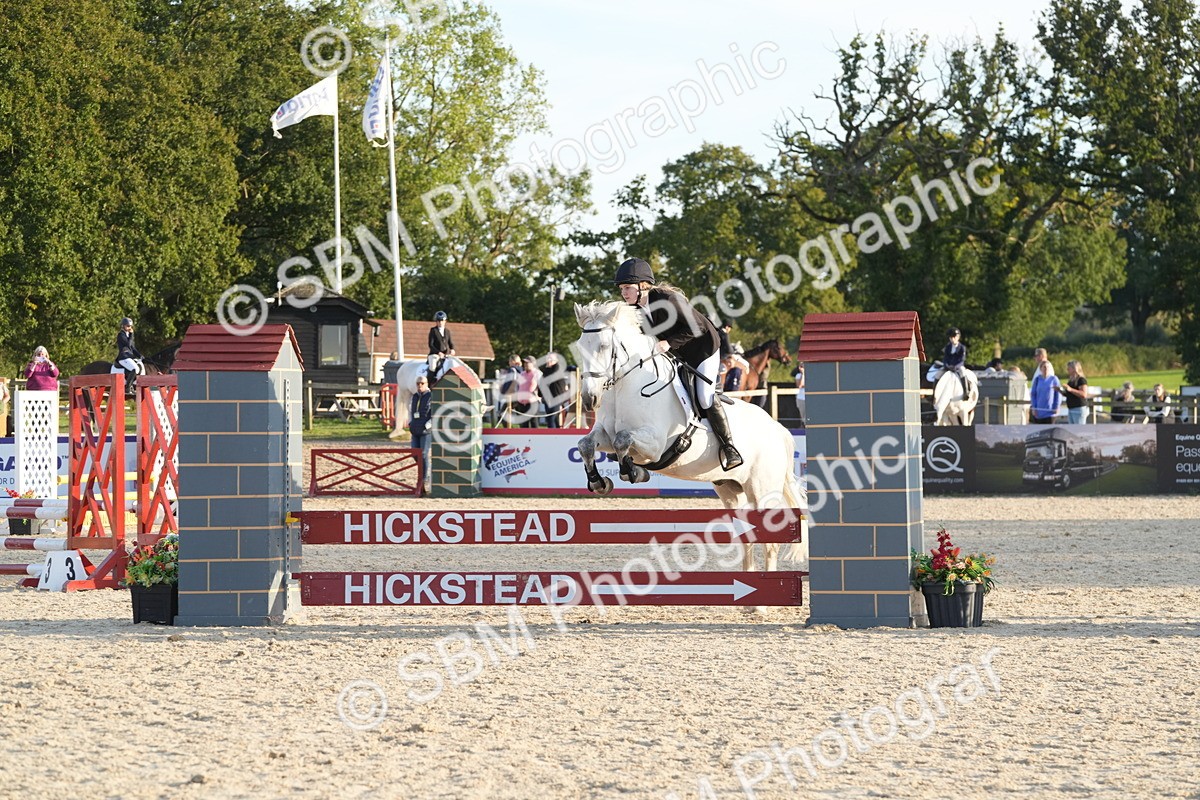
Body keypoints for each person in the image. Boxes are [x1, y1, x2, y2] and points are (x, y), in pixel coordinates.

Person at [615, 257, 742, 470]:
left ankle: (729, 447)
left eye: (627, 287)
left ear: (642, 285)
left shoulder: (667, 299)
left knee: (703, 395)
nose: (623, 293)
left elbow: (698, 327)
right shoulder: (636, 310)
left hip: (704, 349)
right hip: (679, 355)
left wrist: (668, 343)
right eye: (621, 289)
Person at [408, 376, 433, 492]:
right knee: (414, 453)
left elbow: (435, 413)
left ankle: (424, 478)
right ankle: (423, 470)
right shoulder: (414, 396)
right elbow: (410, 410)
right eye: (418, 383)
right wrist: (410, 423)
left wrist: (428, 425)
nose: (419, 385)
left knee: (423, 454)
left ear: (426, 384)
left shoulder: (431, 396)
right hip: (415, 429)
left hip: (425, 430)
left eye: (422, 383)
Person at [539, 353, 570, 429]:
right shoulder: (547, 370)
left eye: (550, 359)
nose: (548, 361)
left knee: (551, 418)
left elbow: (548, 377)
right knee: (553, 418)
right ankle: (557, 434)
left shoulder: (557, 367)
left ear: (556, 361)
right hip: (548, 398)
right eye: (547, 359)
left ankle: (551, 435)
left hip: (557, 397)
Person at [115, 317, 142, 395]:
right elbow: (128, 344)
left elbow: (132, 348)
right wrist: (131, 334)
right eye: (127, 326)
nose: (129, 328)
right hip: (123, 357)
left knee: (138, 367)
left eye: (130, 326)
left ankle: (131, 386)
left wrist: (140, 355)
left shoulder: (128, 335)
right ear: (123, 326)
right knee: (135, 368)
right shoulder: (121, 335)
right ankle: (127, 388)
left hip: (129, 356)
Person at [427, 311, 455, 384]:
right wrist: (438, 352)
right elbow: (431, 345)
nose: (440, 322)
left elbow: (450, 342)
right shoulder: (433, 330)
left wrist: (452, 349)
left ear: (445, 321)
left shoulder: (447, 331)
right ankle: (430, 383)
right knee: (432, 367)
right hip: (434, 354)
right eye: (438, 321)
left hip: (445, 355)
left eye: (442, 320)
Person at [1059, 360, 1091, 424]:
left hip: (1078, 408)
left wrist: (1070, 389)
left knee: (1079, 430)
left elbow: (1083, 394)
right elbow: (1070, 394)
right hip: (1071, 409)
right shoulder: (1071, 380)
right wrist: (1060, 391)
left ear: (1074, 369)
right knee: (1072, 430)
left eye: (1069, 368)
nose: (1067, 369)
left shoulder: (1081, 380)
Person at [942, 327, 968, 399]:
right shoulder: (948, 347)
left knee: (963, 372)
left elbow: (962, 360)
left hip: (958, 366)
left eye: (954, 337)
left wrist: (955, 367)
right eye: (951, 337)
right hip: (948, 366)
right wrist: (946, 366)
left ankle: (966, 392)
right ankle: (934, 394)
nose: (952, 339)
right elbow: (945, 358)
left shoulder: (962, 347)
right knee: (937, 375)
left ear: (958, 337)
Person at [516, 356, 542, 428]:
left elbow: (542, 387)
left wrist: (539, 397)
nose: (526, 364)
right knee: (523, 425)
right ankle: (523, 439)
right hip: (521, 402)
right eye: (525, 363)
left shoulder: (537, 373)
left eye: (528, 363)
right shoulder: (522, 374)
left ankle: (536, 439)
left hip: (532, 402)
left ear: (533, 363)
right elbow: (519, 386)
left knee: (534, 423)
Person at [497, 354, 522, 426]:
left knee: (503, 415)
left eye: (510, 361)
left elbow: (512, 382)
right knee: (521, 416)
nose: (509, 363)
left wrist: (505, 393)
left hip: (512, 395)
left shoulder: (512, 370)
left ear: (513, 361)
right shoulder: (522, 370)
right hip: (521, 395)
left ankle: (508, 433)